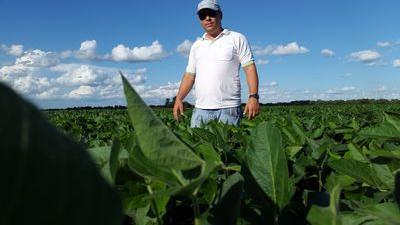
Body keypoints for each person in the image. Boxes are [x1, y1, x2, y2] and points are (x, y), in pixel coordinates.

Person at [173, 0, 260, 127]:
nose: (207, 18)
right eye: (203, 16)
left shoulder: (236, 38)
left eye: (211, 14)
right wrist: (179, 99)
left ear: (220, 15)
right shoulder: (197, 45)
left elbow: (249, 68)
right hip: (200, 110)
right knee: (198, 146)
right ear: (200, 20)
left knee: (230, 146)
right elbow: (189, 75)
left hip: (229, 109)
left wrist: (253, 96)